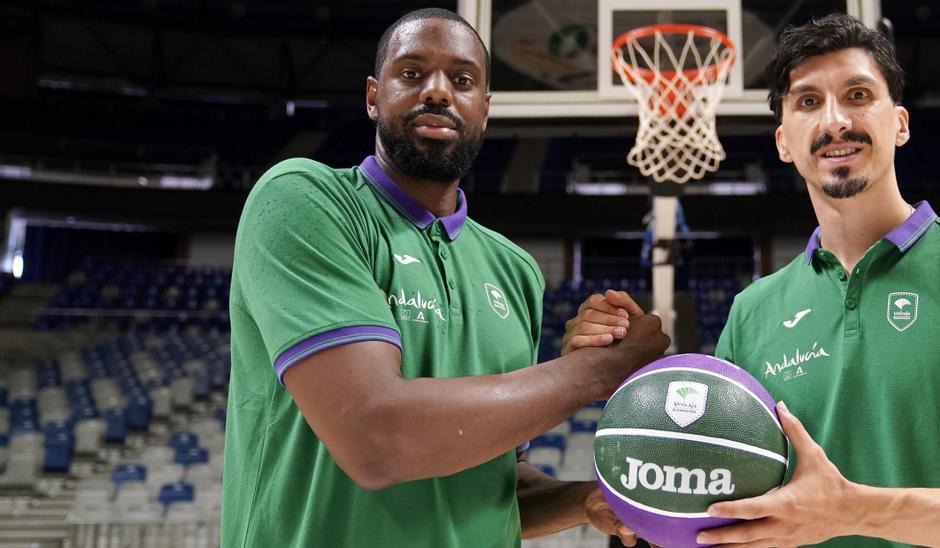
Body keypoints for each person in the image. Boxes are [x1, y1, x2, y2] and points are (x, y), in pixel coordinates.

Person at [564, 13, 940, 547]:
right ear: (783, 141)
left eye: (858, 95)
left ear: (900, 122)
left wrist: (855, 512)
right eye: (807, 102)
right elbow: (729, 507)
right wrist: (625, 395)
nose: (834, 121)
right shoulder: (753, 310)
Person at [222, 8, 668, 548]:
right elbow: (376, 438)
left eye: (462, 80)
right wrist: (599, 371)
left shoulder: (515, 270)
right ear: (372, 95)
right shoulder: (305, 199)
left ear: (484, 110)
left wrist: (581, 500)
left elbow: (487, 481)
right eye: (412, 73)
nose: (437, 92)